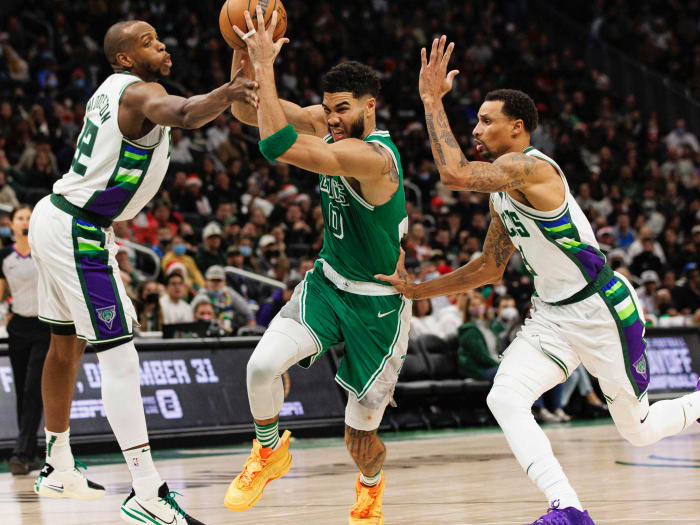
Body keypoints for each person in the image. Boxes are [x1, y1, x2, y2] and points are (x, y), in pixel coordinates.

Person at [377, 36, 700, 525]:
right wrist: (418, 289)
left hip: (600, 309)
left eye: (487, 120)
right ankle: (567, 508)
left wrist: (430, 100)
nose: (477, 126)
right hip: (552, 315)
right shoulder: (503, 195)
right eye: (478, 118)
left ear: (518, 126)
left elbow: (454, 174)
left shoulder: (531, 169)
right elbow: (488, 267)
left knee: (639, 429)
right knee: (504, 395)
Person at [27, 19, 257, 525]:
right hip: (78, 229)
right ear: (126, 58)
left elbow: (194, 107)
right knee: (121, 357)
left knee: (65, 346)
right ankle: (146, 491)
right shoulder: (140, 94)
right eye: (149, 42)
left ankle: (57, 463)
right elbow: (185, 113)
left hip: (60, 216)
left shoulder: (115, 90)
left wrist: (238, 61)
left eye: (161, 37)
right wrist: (228, 87)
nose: (163, 45)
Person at [225, 8, 410, 523]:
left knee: (359, 437)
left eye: (342, 109)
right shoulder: (328, 125)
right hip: (328, 284)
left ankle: (370, 483)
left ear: (370, 107)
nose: (331, 118)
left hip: (378, 306)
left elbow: (275, 144)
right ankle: (267, 450)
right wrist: (243, 49)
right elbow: (249, 112)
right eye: (327, 108)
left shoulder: (375, 160)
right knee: (261, 365)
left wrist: (266, 62)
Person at [0, 205, 50, 475]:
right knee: (22, 390)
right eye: (20, 218)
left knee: (33, 388)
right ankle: (30, 452)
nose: (25, 222)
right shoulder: (4, 257)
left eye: (29, 218)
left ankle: (20, 452)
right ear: (12, 225)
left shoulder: (43, 254)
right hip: (18, 327)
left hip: (43, 325)